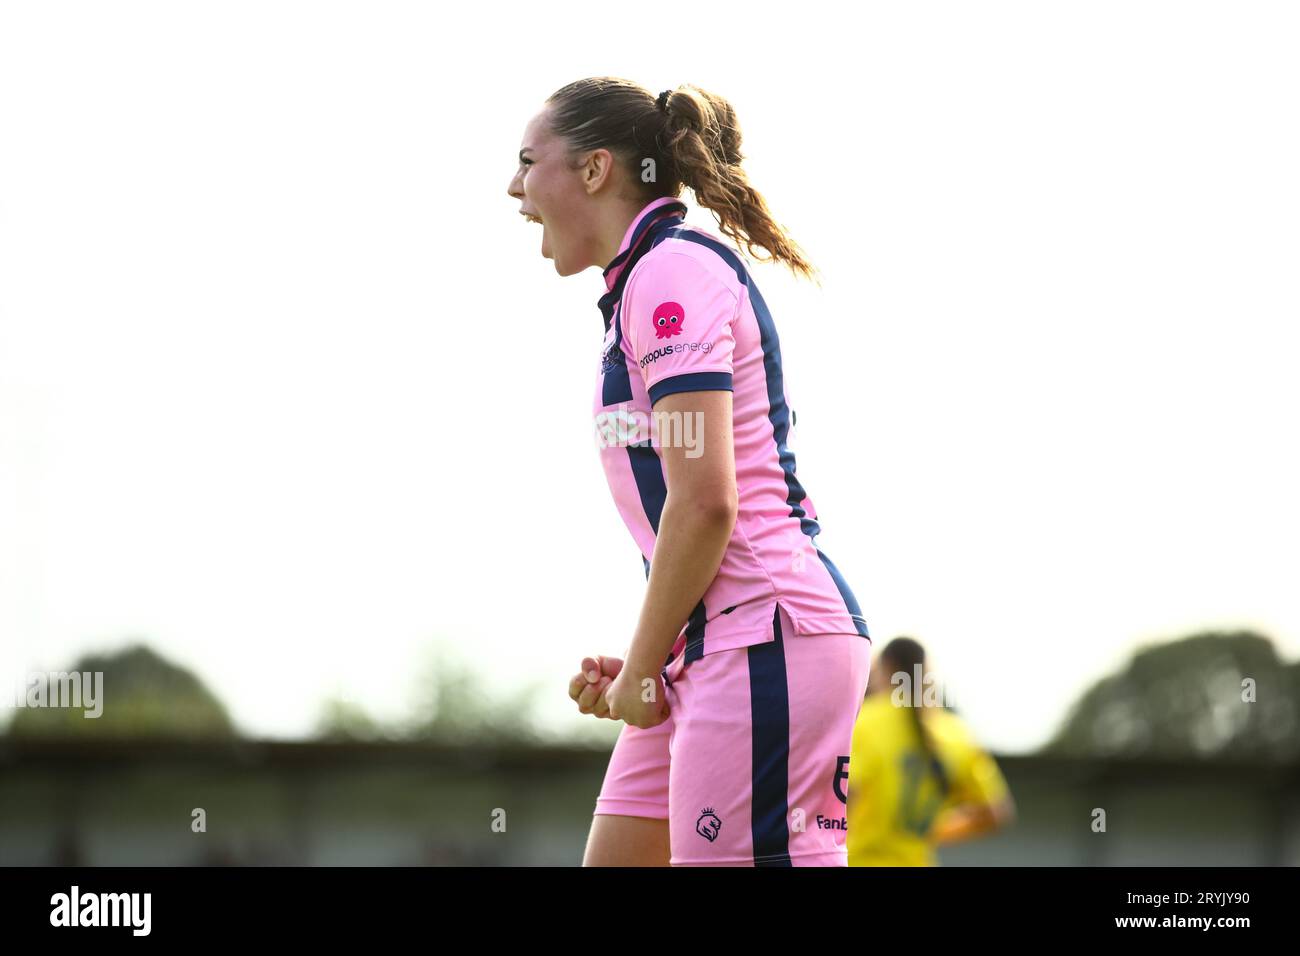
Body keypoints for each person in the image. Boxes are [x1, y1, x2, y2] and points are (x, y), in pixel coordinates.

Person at [509, 77, 872, 866]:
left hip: (766, 639)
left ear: (596, 169)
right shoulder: (642, 279)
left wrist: (643, 667)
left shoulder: (671, 273)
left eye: (529, 162)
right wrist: (650, 657)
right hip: (707, 648)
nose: (514, 188)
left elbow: (705, 503)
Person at [847, 637, 1016, 865]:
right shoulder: (954, 733)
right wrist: (926, 830)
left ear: (886, 668)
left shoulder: (864, 722)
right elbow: (996, 812)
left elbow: (844, 798)